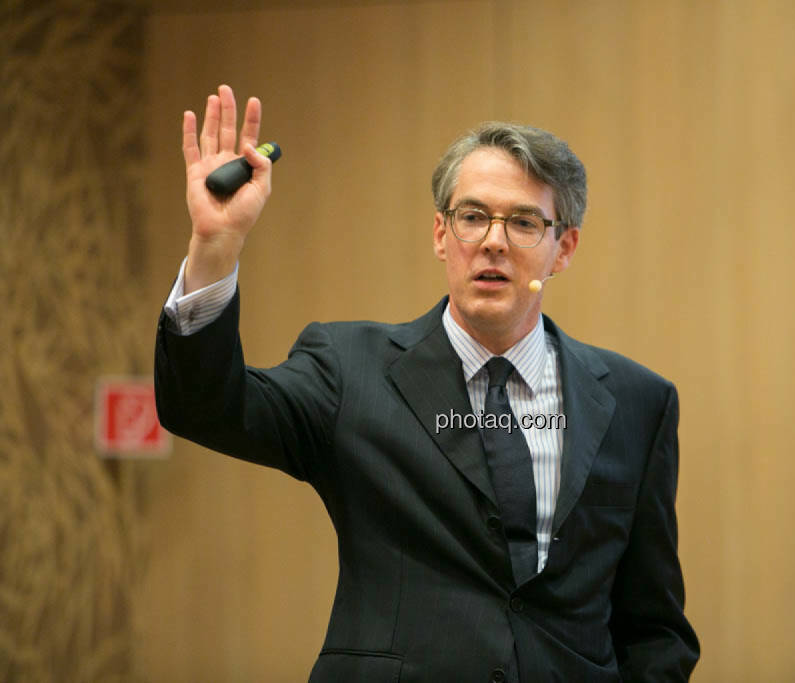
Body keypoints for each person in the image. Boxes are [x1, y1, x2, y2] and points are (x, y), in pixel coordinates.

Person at [155, 84, 699, 682]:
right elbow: (205, 407)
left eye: (523, 222)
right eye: (472, 217)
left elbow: (654, 629)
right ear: (441, 234)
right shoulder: (349, 370)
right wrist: (215, 247)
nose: (493, 241)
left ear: (563, 248)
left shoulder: (636, 402)